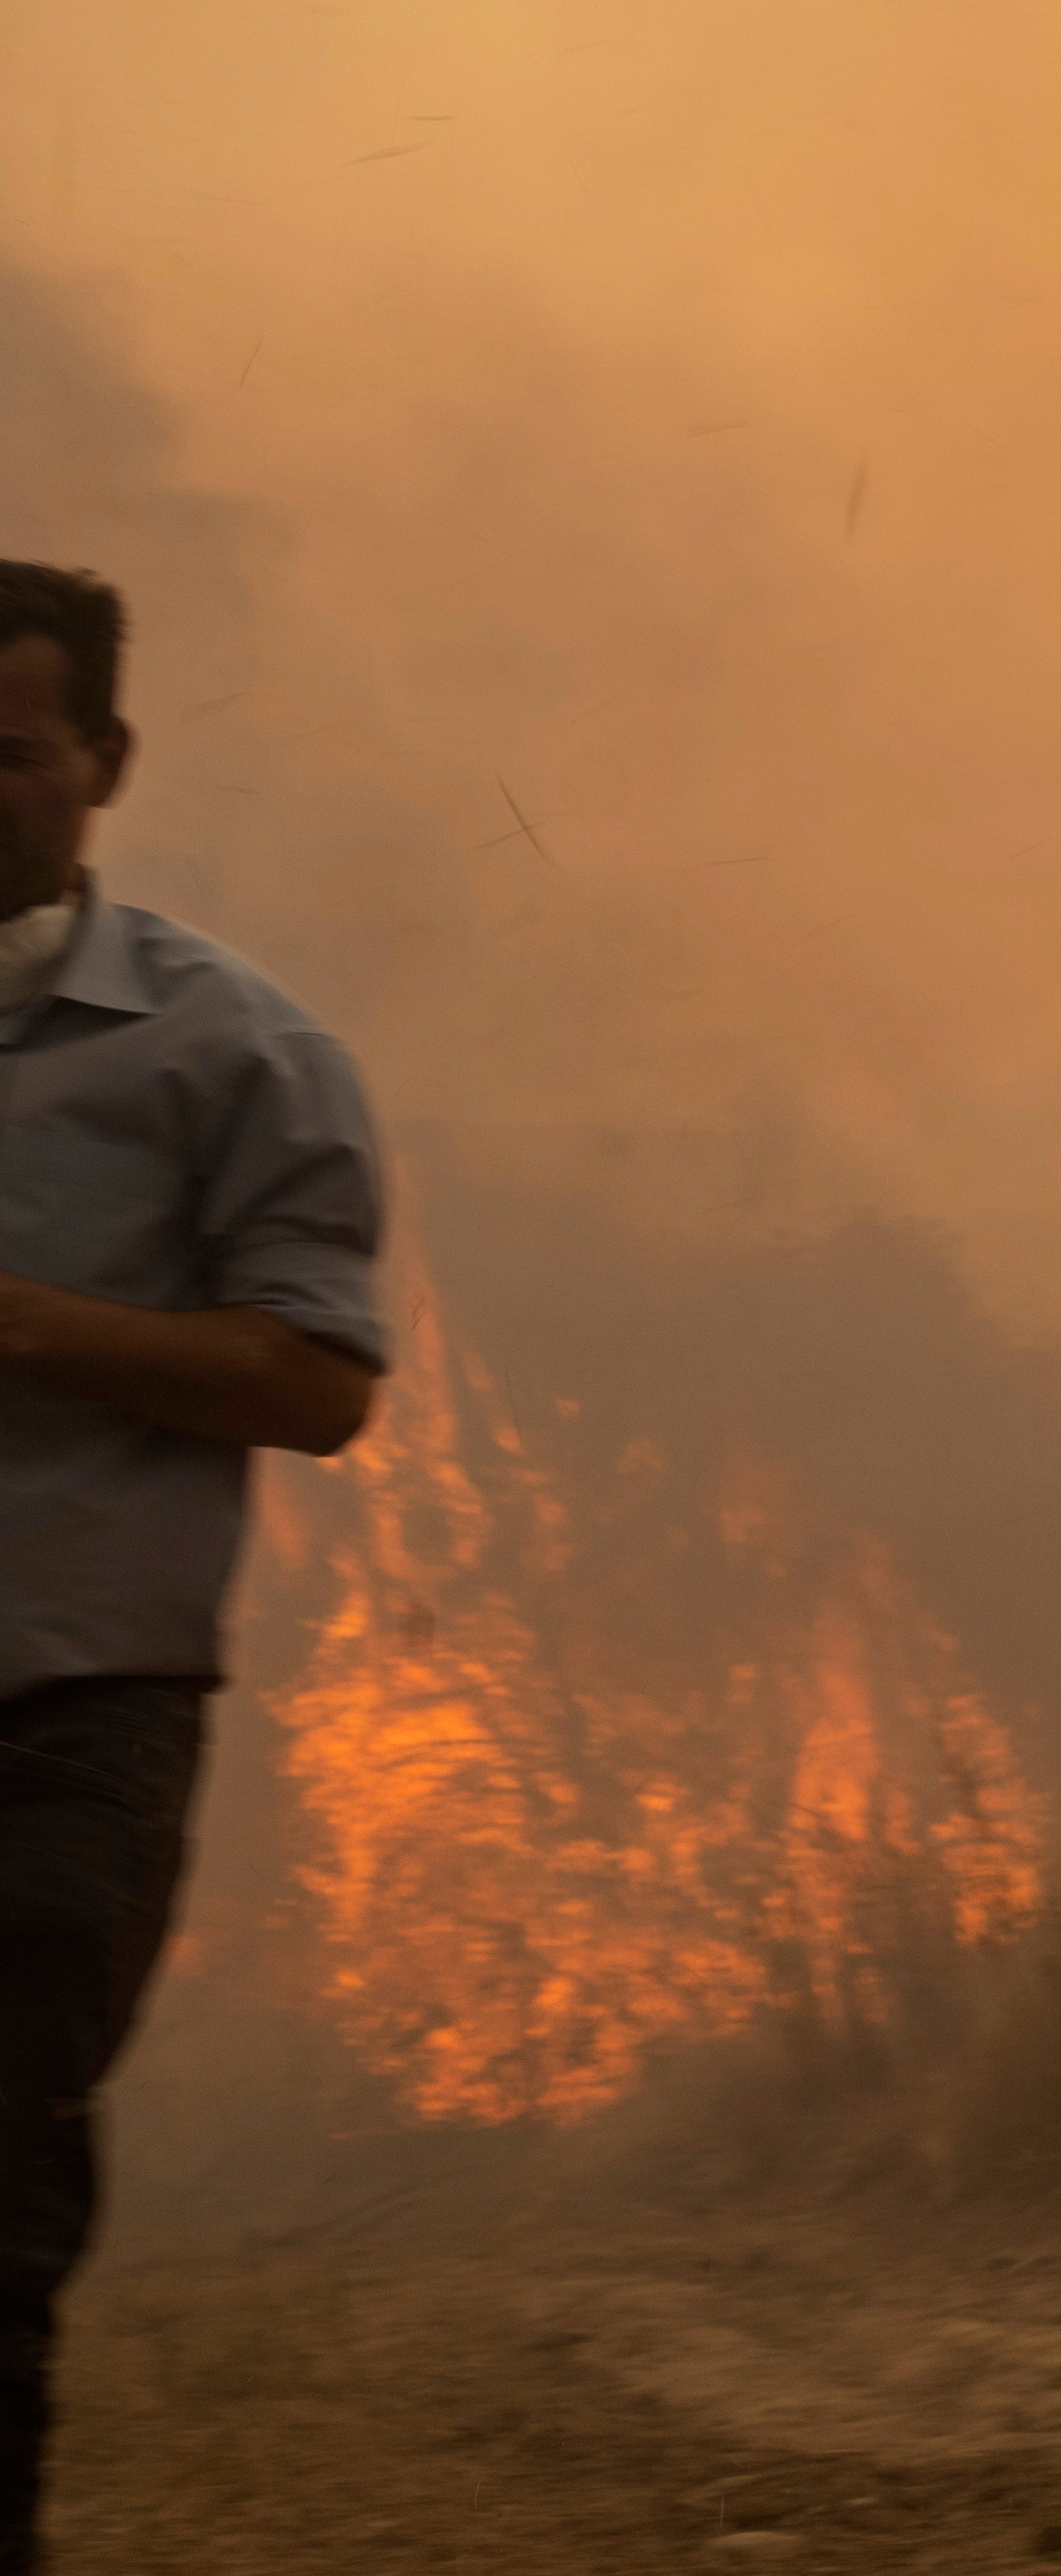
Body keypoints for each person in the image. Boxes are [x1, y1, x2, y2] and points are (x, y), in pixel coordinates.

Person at [0, 561, 384, 2575]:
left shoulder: (229, 1054)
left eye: (7, 753)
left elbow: (319, 1381)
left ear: (104, 765)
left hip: (69, 1709)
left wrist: (28, 1322)